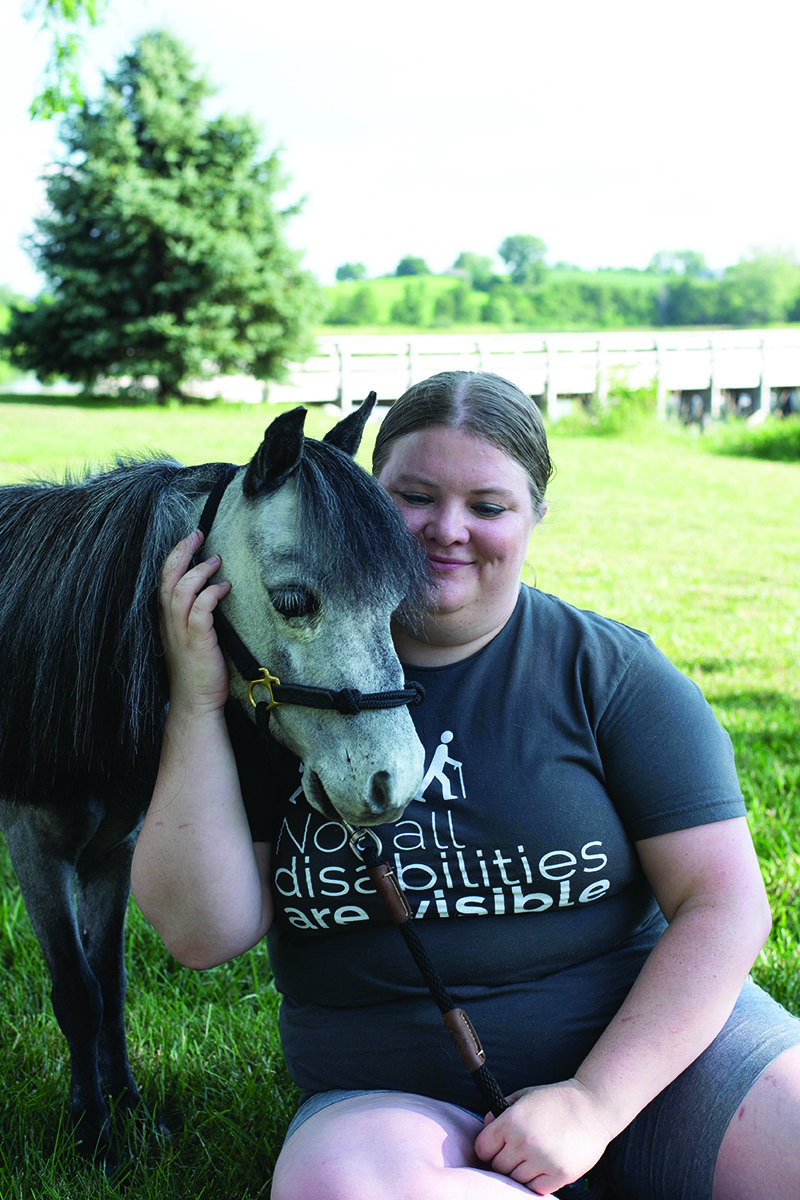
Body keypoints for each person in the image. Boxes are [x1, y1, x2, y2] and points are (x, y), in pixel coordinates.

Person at [132, 370, 800, 1199]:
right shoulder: (276, 690)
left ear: (534, 517)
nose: (448, 531)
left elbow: (726, 902)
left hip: (662, 1069)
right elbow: (203, 936)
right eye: (413, 496)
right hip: (401, 1111)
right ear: (363, 500)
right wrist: (194, 704)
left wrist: (595, 1103)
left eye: (489, 506)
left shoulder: (609, 673)